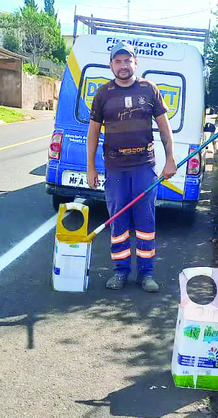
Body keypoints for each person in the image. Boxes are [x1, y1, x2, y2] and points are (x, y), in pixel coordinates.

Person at [86, 41, 177, 293]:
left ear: (135, 62)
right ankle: (120, 272)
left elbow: (163, 126)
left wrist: (170, 158)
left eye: (128, 60)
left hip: (143, 166)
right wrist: (91, 167)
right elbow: (93, 132)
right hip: (115, 167)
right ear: (111, 65)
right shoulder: (103, 93)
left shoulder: (149, 89)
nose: (123, 65)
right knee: (118, 222)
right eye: (118, 61)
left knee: (146, 221)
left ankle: (146, 273)